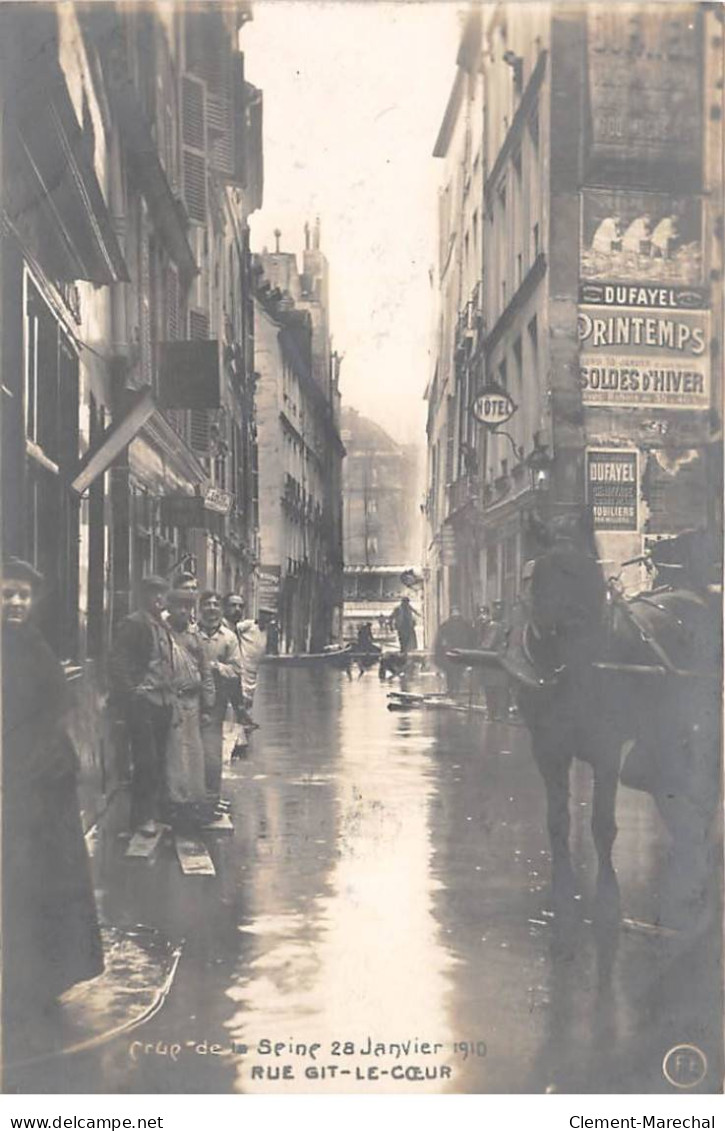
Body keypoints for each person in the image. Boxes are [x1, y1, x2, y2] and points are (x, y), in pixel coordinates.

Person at [2, 559, 103, 1032]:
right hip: (16, 783)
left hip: (39, 789)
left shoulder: (36, 651)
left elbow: (53, 719)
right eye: (7, 594)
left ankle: (38, 983)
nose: (15, 603)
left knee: (38, 884)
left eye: (23, 595)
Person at [109, 575, 176, 834]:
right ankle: (140, 819)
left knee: (158, 760)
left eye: (162, 593)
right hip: (143, 702)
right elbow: (117, 660)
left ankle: (152, 815)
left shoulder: (161, 624)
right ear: (144, 596)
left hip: (162, 702)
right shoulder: (134, 624)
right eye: (153, 593)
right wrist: (131, 692)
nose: (159, 598)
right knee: (145, 760)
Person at [165, 590, 215, 826]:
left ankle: (195, 803)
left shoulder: (195, 638)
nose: (183, 612)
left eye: (187, 607)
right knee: (172, 754)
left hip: (192, 703)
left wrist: (208, 706)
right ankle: (174, 805)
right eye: (179, 607)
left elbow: (205, 673)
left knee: (194, 754)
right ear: (171, 608)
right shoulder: (162, 634)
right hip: (169, 701)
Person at [197, 590, 244, 812]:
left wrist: (216, 667)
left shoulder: (229, 638)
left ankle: (212, 799)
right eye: (207, 605)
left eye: (216, 605)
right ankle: (190, 799)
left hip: (216, 702)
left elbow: (236, 670)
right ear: (200, 609)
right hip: (189, 700)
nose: (212, 609)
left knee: (213, 752)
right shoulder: (191, 633)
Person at [478, 600, 511, 721]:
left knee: (491, 688)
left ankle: (493, 713)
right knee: (503, 689)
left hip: (493, 662)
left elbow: (487, 645)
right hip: (505, 662)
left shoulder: (494, 626)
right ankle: (502, 714)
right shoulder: (506, 625)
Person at [433, 607, 476, 695]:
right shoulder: (448, 626)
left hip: (458, 653)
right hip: (453, 653)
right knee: (452, 672)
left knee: (456, 672)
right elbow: (441, 640)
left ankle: (454, 688)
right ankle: (453, 688)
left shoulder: (465, 625)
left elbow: (471, 639)